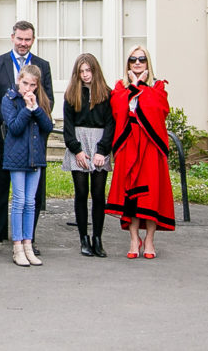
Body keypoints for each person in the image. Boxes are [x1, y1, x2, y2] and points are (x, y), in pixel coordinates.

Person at [0, 20, 53, 257]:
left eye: (28, 39)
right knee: (0, 187)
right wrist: (9, 118)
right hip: (5, 132)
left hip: (32, 137)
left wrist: (28, 117)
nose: (23, 44)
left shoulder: (42, 65)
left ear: (33, 40)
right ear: (12, 37)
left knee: (31, 195)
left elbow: (48, 98)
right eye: (20, 39)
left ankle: (27, 239)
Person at [105, 46, 174, 259]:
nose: (137, 63)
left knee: (151, 195)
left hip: (151, 147)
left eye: (141, 59)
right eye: (133, 59)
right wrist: (135, 86)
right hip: (129, 146)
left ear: (148, 62)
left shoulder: (158, 86)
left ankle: (150, 240)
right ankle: (134, 239)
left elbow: (156, 110)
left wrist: (142, 86)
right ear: (127, 63)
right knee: (131, 195)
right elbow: (119, 109)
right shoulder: (121, 86)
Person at [62, 53, 114, 258]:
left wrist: (103, 150)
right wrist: (77, 150)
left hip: (99, 143)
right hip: (79, 143)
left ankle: (98, 239)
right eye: (81, 71)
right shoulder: (71, 94)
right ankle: (83, 238)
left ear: (95, 70)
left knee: (99, 194)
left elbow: (111, 123)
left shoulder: (107, 94)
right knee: (81, 193)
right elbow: (67, 127)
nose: (85, 75)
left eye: (88, 70)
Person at [2, 65, 54, 267]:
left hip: (36, 156)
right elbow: (14, 127)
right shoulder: (10, 99)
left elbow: (48, 127)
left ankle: (28, 244)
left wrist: (35, 109)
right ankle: (17, 246)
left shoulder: (41, 101)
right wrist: (26, 108)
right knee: (19, 200)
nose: (28, 89)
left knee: (31, 202)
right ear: (19, 80)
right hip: (16, 156)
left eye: (33, 85)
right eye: (25, 83)